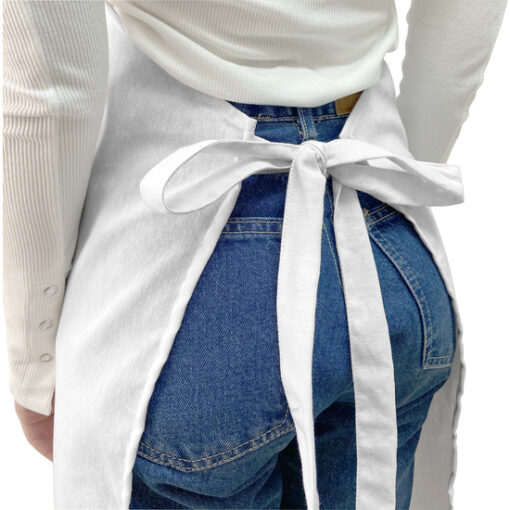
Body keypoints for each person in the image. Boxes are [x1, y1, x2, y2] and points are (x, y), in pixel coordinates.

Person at [2, 1, 507, 509]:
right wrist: (394, 175)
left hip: (188, 285)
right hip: (386, 262)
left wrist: (34, 360)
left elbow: (50, 87)